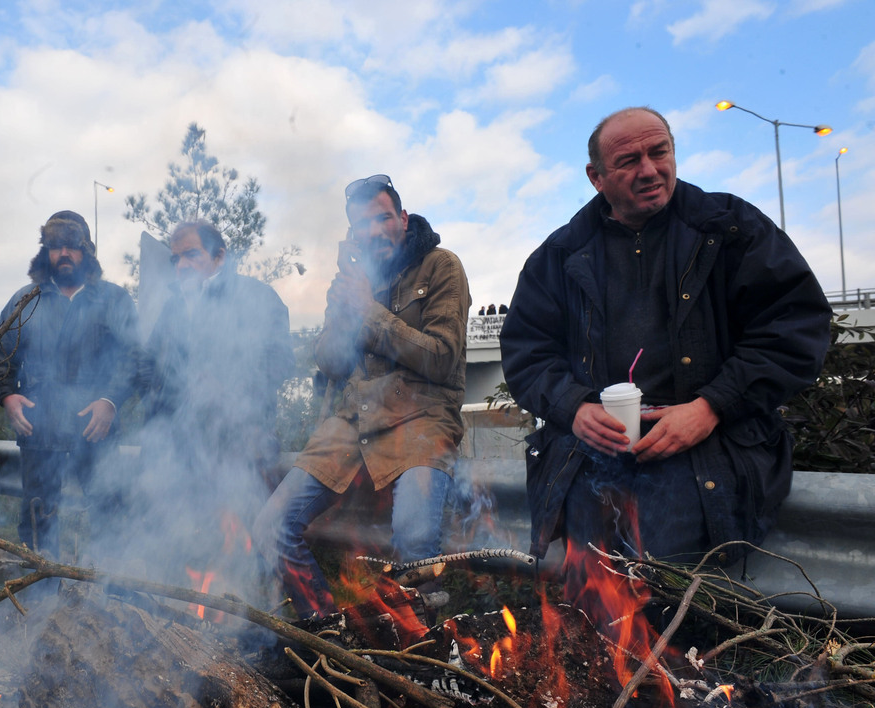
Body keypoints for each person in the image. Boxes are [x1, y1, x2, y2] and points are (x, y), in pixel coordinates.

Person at [500, 106, 831, 567]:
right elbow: (526, 351)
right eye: (629, 161)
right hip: (592, 454)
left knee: (667, 588)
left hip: (708, 453)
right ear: (596, 177)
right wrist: (573, 406)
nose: (650, 170)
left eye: (660, 153)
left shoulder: (730, 228)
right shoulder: (559, 254)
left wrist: (712, 405)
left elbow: (796, 325)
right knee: (589, 596)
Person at [254, 175, 471, 617]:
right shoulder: (352, 282)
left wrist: (369, 312)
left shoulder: (440, 266)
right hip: (352, 422)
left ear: (402, 219)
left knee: (414, 544)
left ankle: (422, 661)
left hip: (421, 421)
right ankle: (326, 630)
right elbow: (331, 363)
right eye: (362, 225)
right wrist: (344, 310)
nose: (374, 231)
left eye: (382, 218)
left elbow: (443, 358)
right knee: (270, 526)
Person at [137, 220, 293, 588]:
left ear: (220, 255)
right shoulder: (175, 307)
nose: (182, 266)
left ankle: (258, 624)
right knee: (189, 543)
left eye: (191, 254)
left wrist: (229, 387)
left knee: (246, 541)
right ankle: (188, 624)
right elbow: (148, 366)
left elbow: (281, 362)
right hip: (183, 448)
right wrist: (160, 408)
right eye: (175, 259)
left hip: (241, 444)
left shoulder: (257, 296)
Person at [0, 211, 138, 559]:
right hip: (39, 430)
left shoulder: (113, 300)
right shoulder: (25, 301)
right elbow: (0, 361)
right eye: (56, 246)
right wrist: (8, 396)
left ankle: (111, 596)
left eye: (72, 246)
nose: (64, 254)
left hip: (96, 431)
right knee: (37, 521)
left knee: (108, 514)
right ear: (46, 252)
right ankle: (38, 600)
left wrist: (110, 400)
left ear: (87, 251)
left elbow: (134, 359)